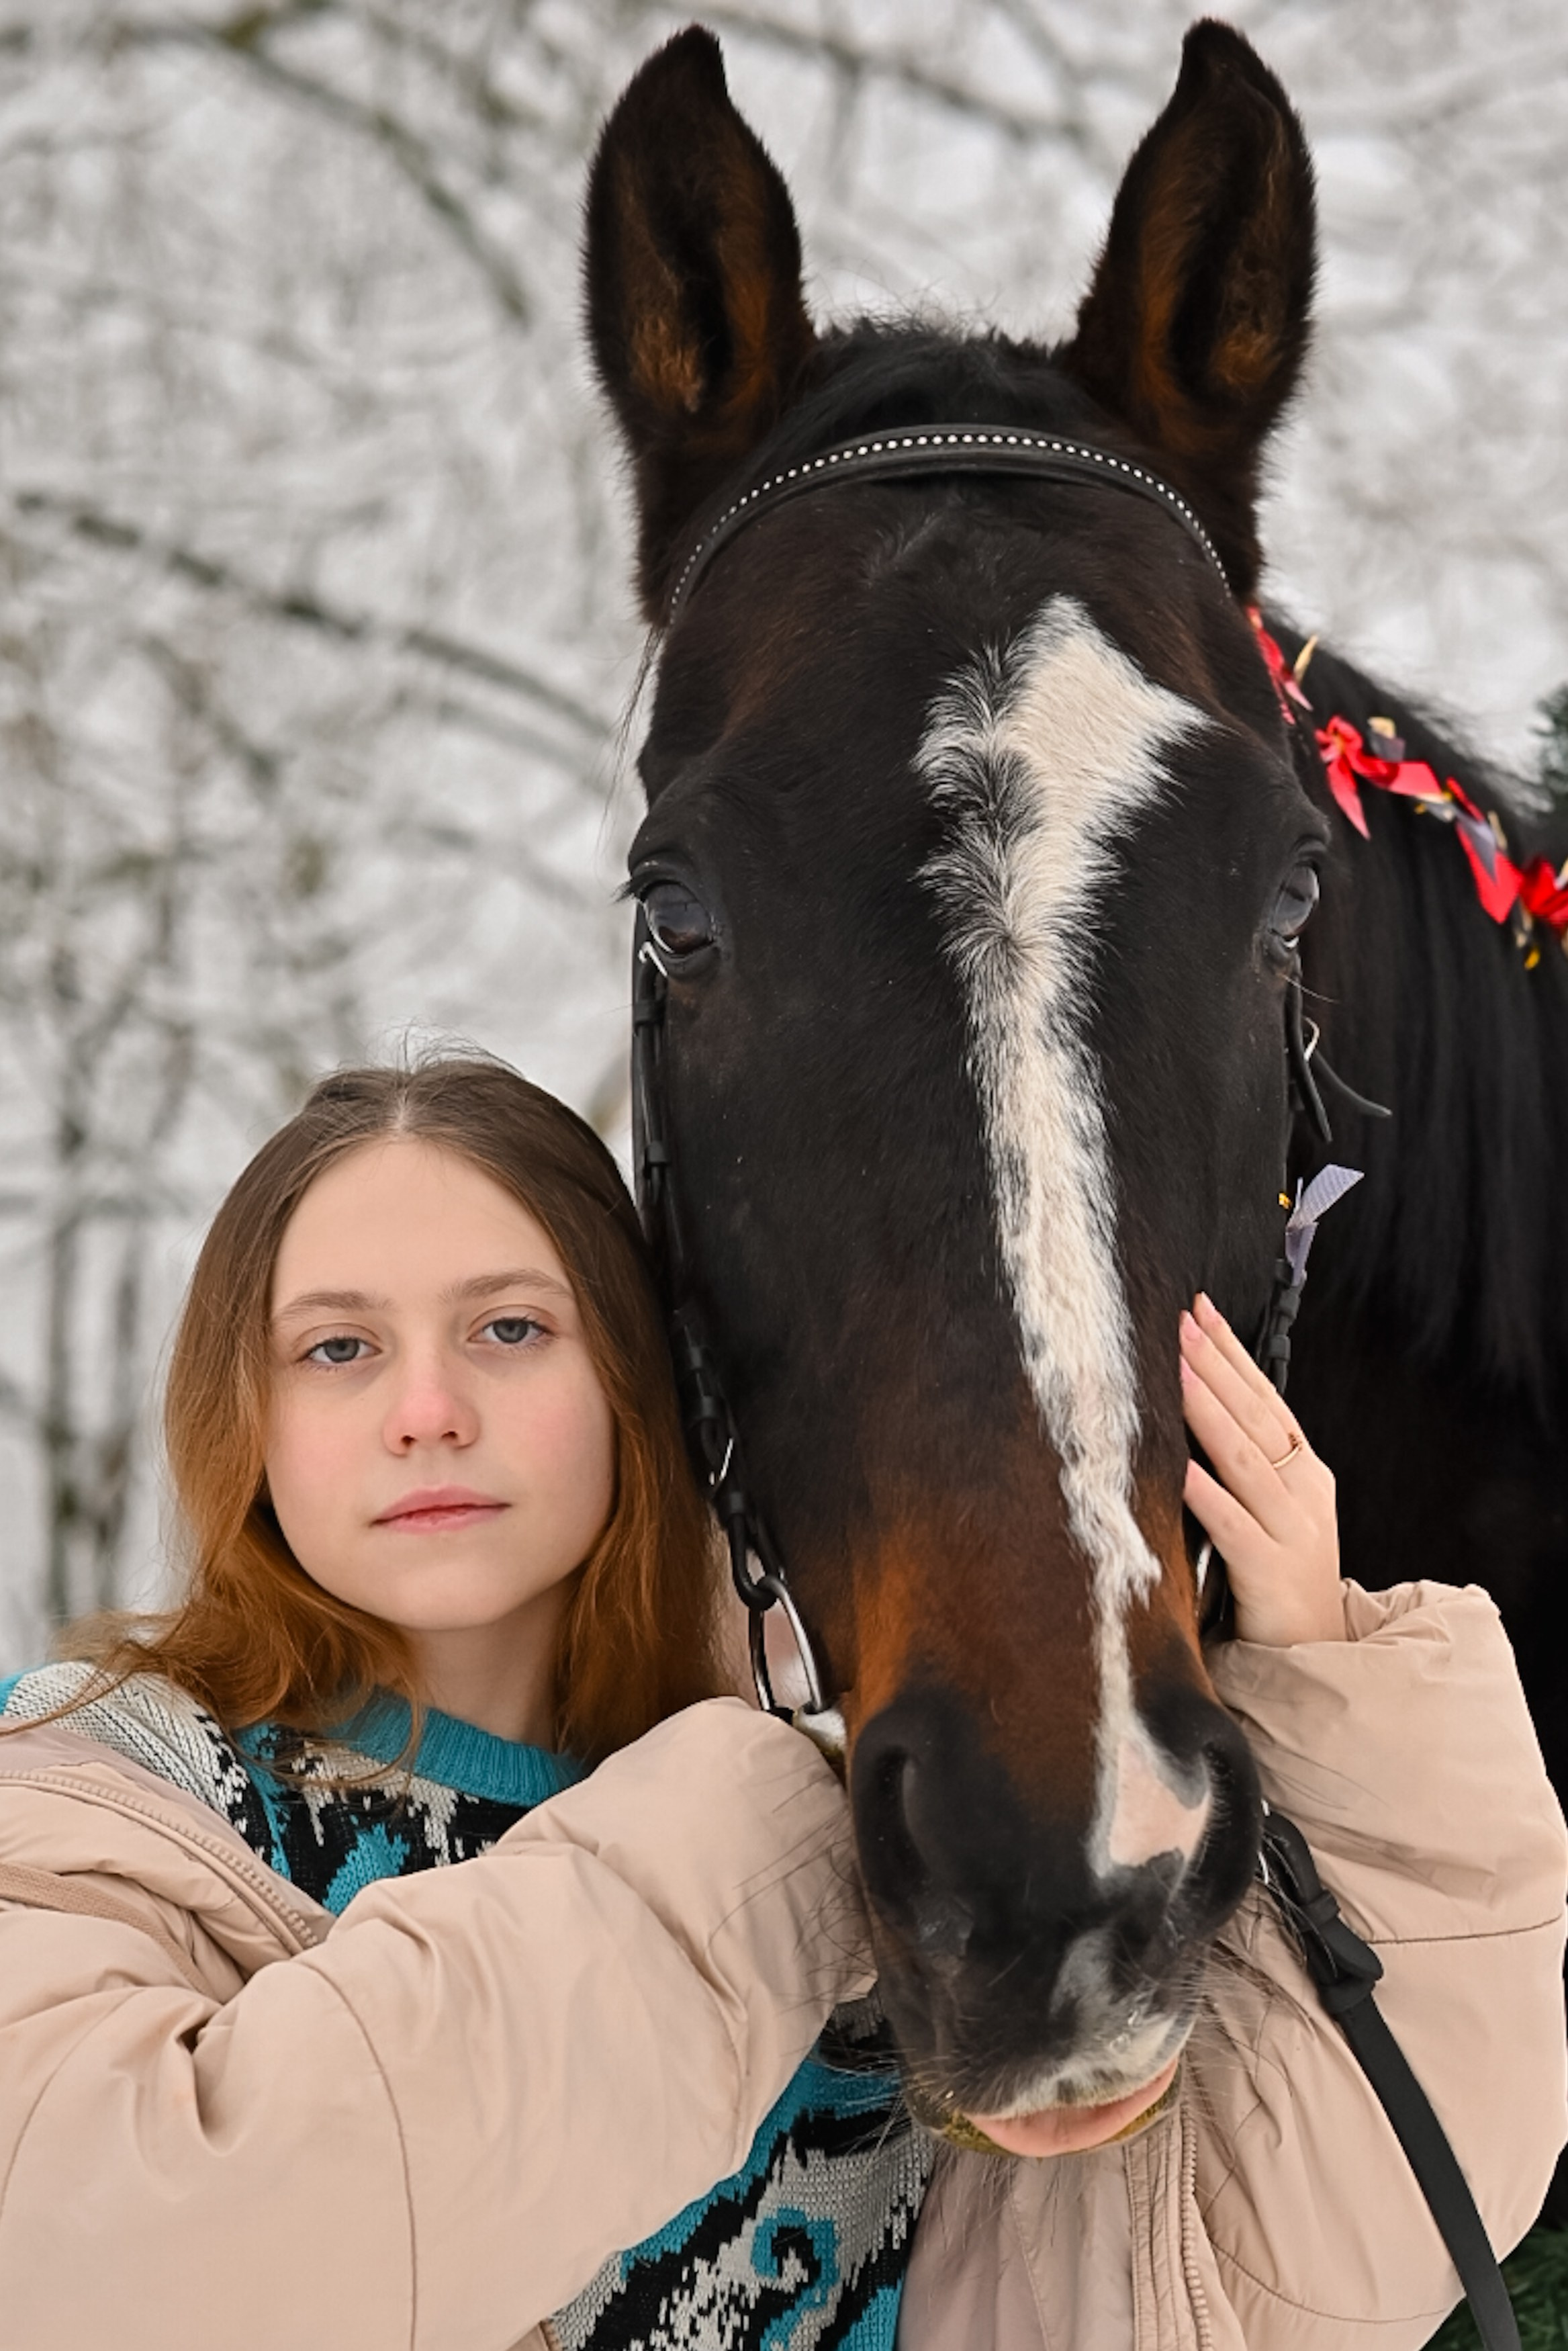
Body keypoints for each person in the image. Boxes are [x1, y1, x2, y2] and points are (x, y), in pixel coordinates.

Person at [0, 1055, 1561, 2351]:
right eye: (338, 1346)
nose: (426, 1411)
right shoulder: (98, 1794)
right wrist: (753, 1839)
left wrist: (1345, 1703)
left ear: (640, 1382)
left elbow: (1243, 2297)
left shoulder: (882, 1884)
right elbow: (106, 2262)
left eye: (509, 1328)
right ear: (245, 1411)